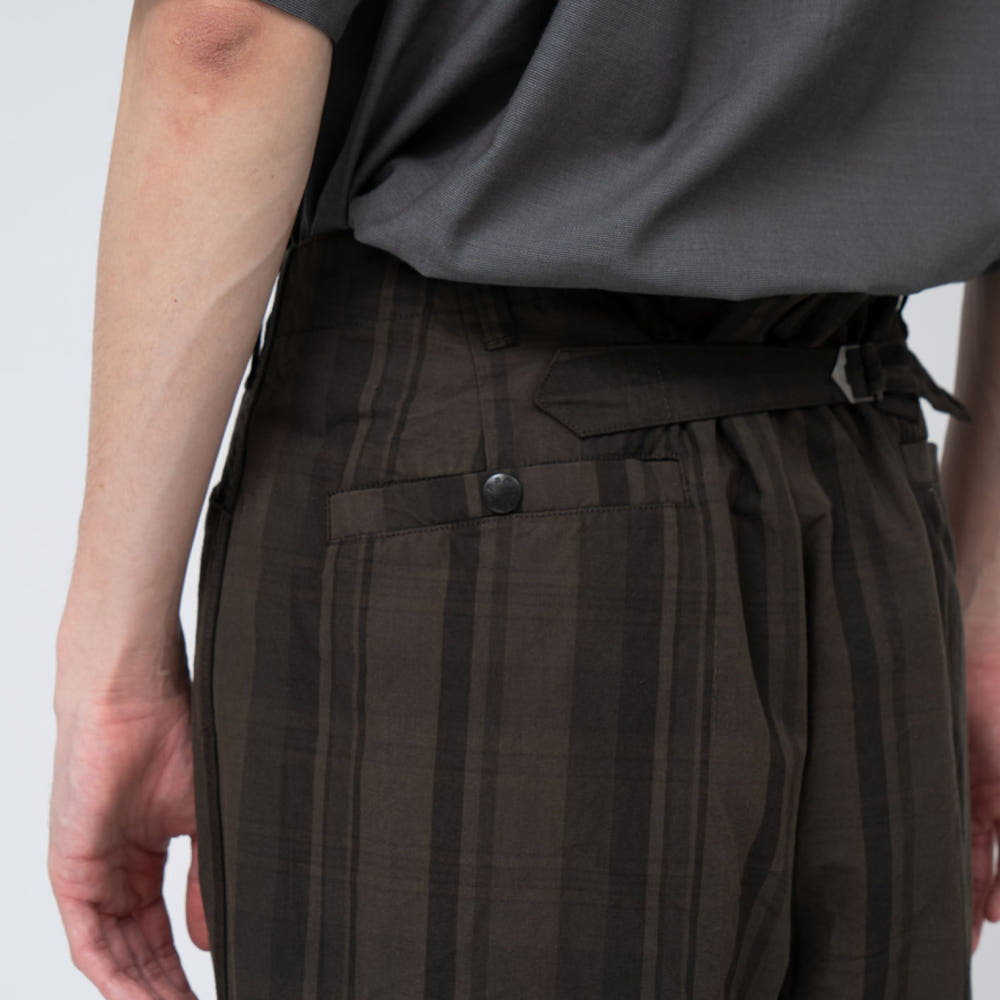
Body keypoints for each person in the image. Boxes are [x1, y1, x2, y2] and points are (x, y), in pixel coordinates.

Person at [47, 0, 1000, 997]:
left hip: (473, 492)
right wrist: (982, 605)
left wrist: (114, 676)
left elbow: (225, 32)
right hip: (861, 499)